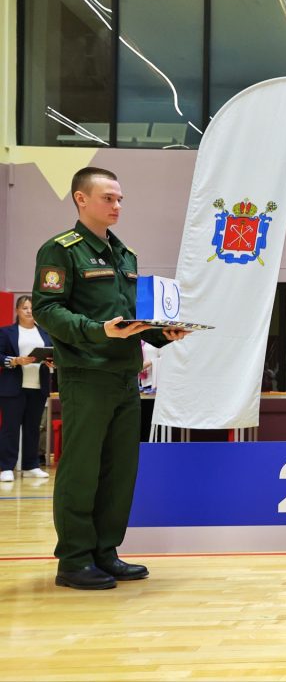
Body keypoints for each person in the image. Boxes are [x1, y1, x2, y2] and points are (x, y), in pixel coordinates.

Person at [33, 166, 189, 590]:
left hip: (124, 375)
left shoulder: (125, 254)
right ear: (81, 199)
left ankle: (105, 552)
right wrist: (96, 331)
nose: (117, 205)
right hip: (86, 374)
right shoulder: (61, 250)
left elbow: (129, 318)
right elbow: (47, 309)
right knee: (81, 470)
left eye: (120, 199)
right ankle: (74, 560)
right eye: (108, 198)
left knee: (119, 471)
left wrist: (161, 332)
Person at [0, 296, 54, 481]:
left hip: (38, 387)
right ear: (17, 310)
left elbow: (52, 353)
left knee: (33, 428)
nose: (29, 311)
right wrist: (15, 360)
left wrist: (51, 361)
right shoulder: (6, 332)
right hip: (12, 388)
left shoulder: (45, 333)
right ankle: (6, 467)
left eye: (32, 308)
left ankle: (31, 466)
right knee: (10, 428)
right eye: (25, 308)